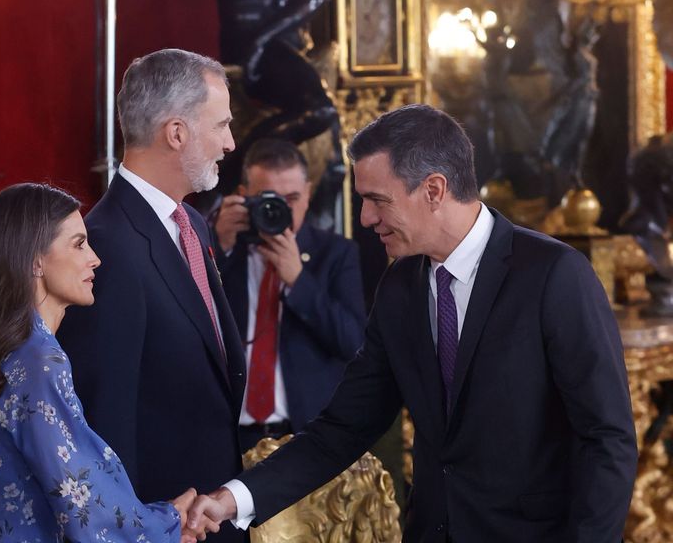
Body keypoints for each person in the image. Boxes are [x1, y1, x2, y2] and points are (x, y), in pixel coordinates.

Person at [188, 104, 638, 542]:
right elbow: (342, 429)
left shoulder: (554, 275)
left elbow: (607, 441)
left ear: (434, 190)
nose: (365, 218)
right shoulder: (400, 285)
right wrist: (231, 500)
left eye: (376, 200)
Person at [0, 183, 216, 542]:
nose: (94, 258)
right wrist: (169, 523)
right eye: (79, 244)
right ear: (35, 259)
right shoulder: (37, 359)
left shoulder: (1, 347)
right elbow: (79, 495)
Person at [57, 49, 247, 543]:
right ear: (177, 132)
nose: (229, 143)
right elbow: (106, 417)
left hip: (209, 513)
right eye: (221, 125)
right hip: (162, 522)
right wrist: (139, 529)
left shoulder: (192, 224)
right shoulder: (108, 244)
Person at [211, 138, 365, 452]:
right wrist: (221, 246)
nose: (280, 210)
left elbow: (354, 343)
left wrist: (298, 280)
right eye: (268, 200)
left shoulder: (335, 253)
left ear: (308, 193)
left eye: (292, 198)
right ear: (244, 197)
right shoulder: (221, 249)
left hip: (305, 432)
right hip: (226, 434)